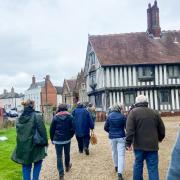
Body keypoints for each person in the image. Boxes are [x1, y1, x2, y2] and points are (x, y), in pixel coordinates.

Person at [126, 95, 165, 180]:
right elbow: (161, 128)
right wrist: (160, 138)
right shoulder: (154, 112)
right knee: (153, 168)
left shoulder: (133, 113)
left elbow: (130, 130)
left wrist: (128, 143)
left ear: (136, 102)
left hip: (139, 146)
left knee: (138, 166)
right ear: (146, 102)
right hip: (152, 145)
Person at [11, 100, 48, 180]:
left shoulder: (19, 118)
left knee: (26, 166)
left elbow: (19, 133)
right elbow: (42, 131)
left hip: (23, 146)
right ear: (32, 106)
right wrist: (45, 142)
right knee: (38, 162)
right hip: (35, 145)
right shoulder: (37, 116)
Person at [50, 104, 74, 180]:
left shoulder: (55, 117)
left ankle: (61, 174)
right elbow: (73, 128)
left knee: (59, 157)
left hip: (58, 140)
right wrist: (70, 136)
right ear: (66, 109)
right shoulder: (70, 116)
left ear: (59, 109)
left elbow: (51, 130)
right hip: (67, 139)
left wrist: (52, 139)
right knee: (67, 154)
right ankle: (67, 166)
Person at [104, 104, 126, 180]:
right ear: (119, 109)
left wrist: (110, 132)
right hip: (121, 137)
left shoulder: (109, 116)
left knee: (114, 152)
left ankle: (116, 166)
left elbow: (105, 127)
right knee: (121, 155)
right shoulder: (122, 116)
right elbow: (126, 126)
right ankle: (120, 173)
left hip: (112, 137)